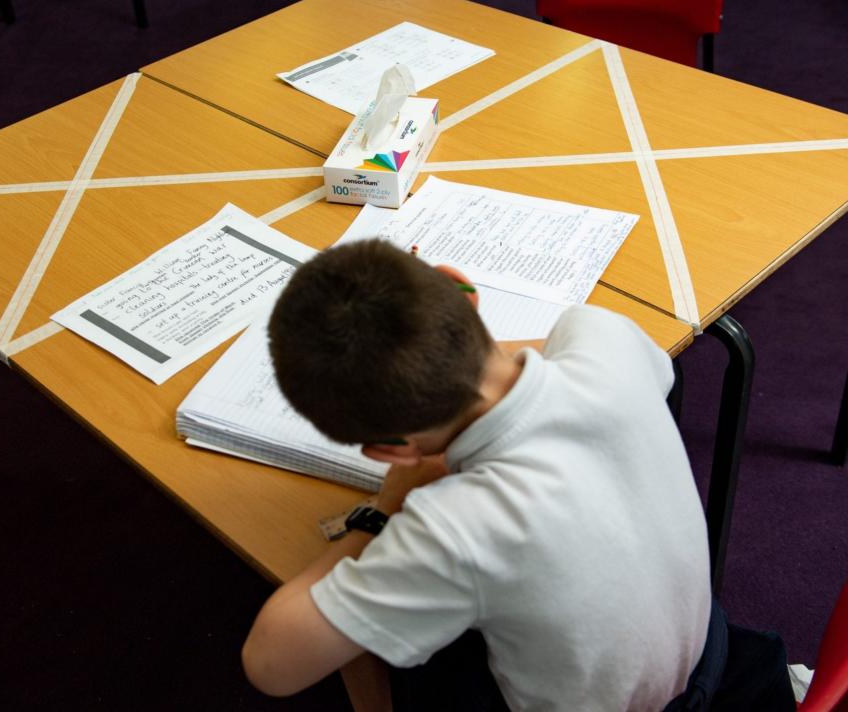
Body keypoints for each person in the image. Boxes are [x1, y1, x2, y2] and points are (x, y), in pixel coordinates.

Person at [241, 238, 725, 711]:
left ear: (391, 451)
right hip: (710, 655)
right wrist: (441, 350)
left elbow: (270, 665)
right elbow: (659, 372)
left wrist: (384, 510)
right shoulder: (601, 336)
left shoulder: (454, 528)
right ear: (462, 289)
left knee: (394, 643)